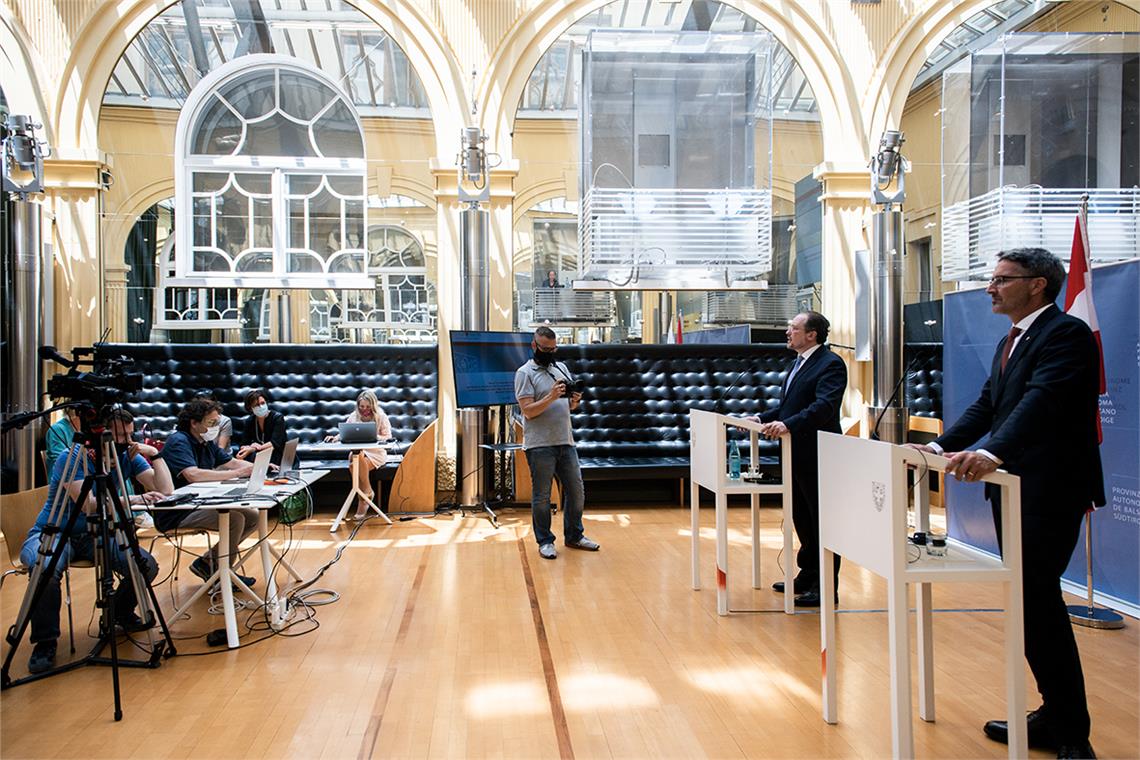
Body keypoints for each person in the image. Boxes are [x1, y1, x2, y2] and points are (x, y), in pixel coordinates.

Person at [906, 248, 1102, 760]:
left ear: (1038, 285)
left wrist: (993, 453)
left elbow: (1043, 402)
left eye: (1001, 279)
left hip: (1050, 487)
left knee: (1039, 602)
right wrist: (938, 446)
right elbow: (989, 405)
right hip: (1015, 488)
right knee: (1027, 602)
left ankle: (1073, 734)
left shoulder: (1067, 334)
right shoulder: (1012, 339)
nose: (991, 288)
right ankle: (1054, 714)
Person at [20, 408, 167, 674]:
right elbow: (87, 504)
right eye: (121, 435)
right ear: (102, 434)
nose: (127, 440)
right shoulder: (72, 457)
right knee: (46, 569)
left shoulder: (127, 455)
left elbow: (165, 490)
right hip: (55, 531)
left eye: (130, 434)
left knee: (145, 565)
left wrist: (154, 455)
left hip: (96, 534)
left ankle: (118, 614)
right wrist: (134, 499)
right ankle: (45, 642)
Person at [754, 311, 846, 607]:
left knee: (821, 519)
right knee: (802, 517)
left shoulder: (830, 364)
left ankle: (826, 586)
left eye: (793, 328)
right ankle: (807, 576)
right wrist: (759, 418)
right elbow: (788, 408)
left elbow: (824, 407)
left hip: (818, 452)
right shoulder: (798, 363)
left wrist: (788, 425)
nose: (787, 332)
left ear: (811, 334)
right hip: (794, 452)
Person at [514, 326, 599, 560]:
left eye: (553, 349)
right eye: (545, 349)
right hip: (539, 444)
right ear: (534, 346)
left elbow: (569, 407)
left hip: (565, 441)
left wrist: (575, 401)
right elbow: (528, 411)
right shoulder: (524, 373)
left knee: (576, 491)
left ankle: (574, 536)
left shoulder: (561, 368)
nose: (550, 353)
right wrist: (551, 396)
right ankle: (545, 541)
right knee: (542, 496)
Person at [158, 398, 257, 588]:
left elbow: (231, 462)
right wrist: (237, 473)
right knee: (235, 519)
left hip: (200, 503)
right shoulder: (179, 441)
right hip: (177, 511)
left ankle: (208, 563)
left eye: (216, 423)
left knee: (252, 516)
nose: (215, 428)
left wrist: (260, 467)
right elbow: (192, 475)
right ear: (194, 423)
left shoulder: (206, 442)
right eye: (211, 423)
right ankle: (222, 573)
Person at [324, 390, 391, 519]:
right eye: (361, 406)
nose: (364, 410)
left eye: (368, 407)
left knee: (353, 465)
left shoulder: (381, 416)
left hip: (376, 453)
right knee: (355, 455)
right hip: (360, 452)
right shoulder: (354, 416)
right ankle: (367, 492)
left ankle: (363, 499)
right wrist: (335, 438)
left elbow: (388, 437)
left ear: (373, 405)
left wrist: (373, 436)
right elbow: (345, 431)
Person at [236, 389, 287, 467]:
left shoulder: (277, 418)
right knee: (245, 455)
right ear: (250, 408)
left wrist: (255, 448)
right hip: (260, 454)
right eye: (256, 405)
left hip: (277, 453)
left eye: (263, 403)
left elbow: (275, 443)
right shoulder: (250, 421)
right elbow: (244, 443)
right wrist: (245, 449)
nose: (261, 407)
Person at [44, 406, 82, 475]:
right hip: (61, 478)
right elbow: (60, 461)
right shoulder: (57, 429)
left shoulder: (80, 430)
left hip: (78, 475)